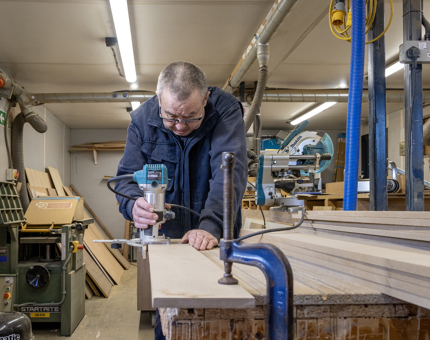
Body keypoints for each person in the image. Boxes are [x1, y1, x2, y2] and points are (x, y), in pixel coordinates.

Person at [115, 61, 247, 339]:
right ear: (158, 98)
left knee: (222, 320)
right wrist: (132, 206)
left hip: (214, 240)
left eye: (190, 117)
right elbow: (126, 179)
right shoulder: (141, 120)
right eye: (171, 116)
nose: (179, 125)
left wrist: (210, 227)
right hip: (167, 242)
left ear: (206, 99)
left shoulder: (225, 110)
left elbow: (229, 174)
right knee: (171, 320)